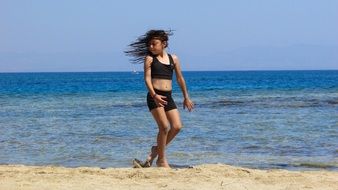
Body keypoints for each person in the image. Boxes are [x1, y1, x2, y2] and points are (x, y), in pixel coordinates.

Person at [125, 29, 194, 168]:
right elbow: (147, 79)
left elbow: (180, 78)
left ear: (164, 44)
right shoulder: (149, 59)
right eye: (149, 44)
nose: (150, 47)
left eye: (153, 44)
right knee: (164, 127)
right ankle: (161, 160)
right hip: (154, 96)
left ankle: (155, 151)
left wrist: (186, 97)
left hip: (168, 96)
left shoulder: (173, 59)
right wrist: (154, 95)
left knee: (177, 126)